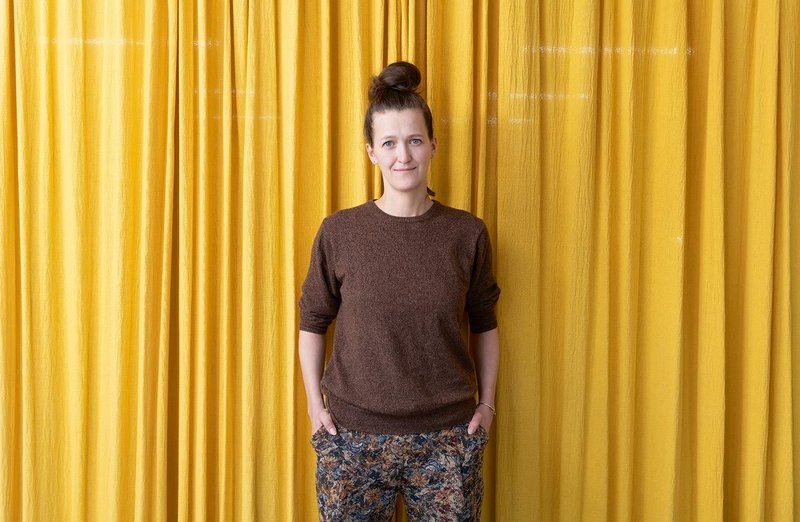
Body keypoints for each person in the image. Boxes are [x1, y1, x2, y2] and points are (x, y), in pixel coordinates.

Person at [298, 61, 501, 521]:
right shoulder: (339, 232)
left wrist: (487, 404)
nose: (403, 155)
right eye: (389, 143)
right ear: (371, 152)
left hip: (448, 439)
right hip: (353, 439)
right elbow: (312, 321)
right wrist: (315, 408)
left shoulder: (466, 233)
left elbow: (485, 323)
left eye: (413, 140)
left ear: (433, 144)